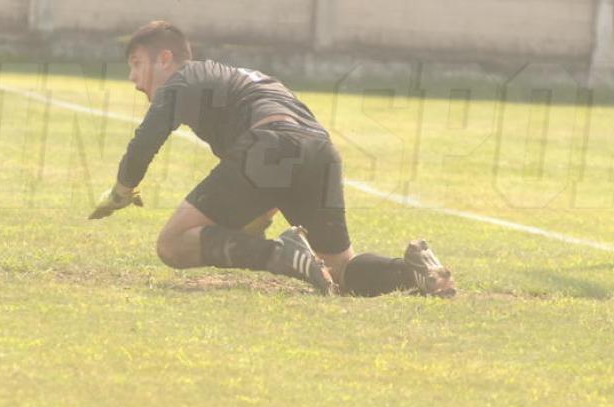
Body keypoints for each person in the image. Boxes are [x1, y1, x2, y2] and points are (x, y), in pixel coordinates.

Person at [88, 20, 456, 298]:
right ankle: (417, 273)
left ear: (165, 59)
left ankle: (283, 254)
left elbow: (146, 139)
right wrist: (255, 221)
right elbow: (273, 168)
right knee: (339, 270)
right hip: (319, 150)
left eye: (136, 63)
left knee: (173, 244)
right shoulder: (236, 81)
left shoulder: (184, 78)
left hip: (271, 143)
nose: (133, 78)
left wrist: (122, 189)